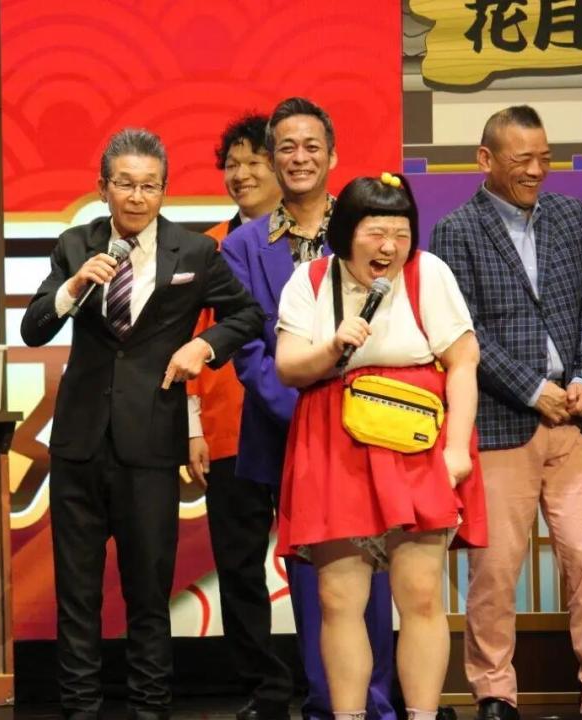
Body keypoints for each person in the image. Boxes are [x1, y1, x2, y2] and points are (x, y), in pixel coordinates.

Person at [20, 128, 263, 720]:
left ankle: (150, 709)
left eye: (149, 186)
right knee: (77, 594)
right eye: (125, 184)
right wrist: (74, 287)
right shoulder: (75, 244)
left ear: (163, 190)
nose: (137, 196)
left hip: (151, 443)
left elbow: (247, 314)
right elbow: (33, 328)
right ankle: (80, 709)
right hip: (79, 444)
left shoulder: (194, 252)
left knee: (148, 593)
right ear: (103, 186)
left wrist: (203, 346)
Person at [431, 104, 582, 720]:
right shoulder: (456, 231)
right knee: (494, 571)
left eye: (545, 158)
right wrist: (532, 388)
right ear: (485, 159)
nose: (537, 170)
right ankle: (494, 692)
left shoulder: (570, 215)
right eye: (523, 160)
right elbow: (464, 331)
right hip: (501, 424)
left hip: (576, 422)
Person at [275, 173, 486, 720]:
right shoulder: (309, 280)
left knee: (420, 594)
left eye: (401, 233)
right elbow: (289, 367)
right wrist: (332, 347)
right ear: (346, 233)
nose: (390, 247)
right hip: (333, 444)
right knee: (338, 600)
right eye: (376, 233)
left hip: (415, 443)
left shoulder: (428, 273)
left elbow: (463, 361)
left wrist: (456, 450)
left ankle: (421, 715)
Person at [221, 98, 396, 720]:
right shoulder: (241, 246)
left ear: (333, 156)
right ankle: (328, 705)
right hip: (287, 434)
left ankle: (378, 706)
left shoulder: (367, 228)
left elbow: (393, 322)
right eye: (287, 148)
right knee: (311, 578)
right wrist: (303, 415)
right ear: (273, 159)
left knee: (373, 572)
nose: (299, 158)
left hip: (368, 430)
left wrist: (357, 411)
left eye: (311, 146)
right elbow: (248, 350)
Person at [184, 111, 291, 720]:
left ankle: (331, 677)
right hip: (229, 429)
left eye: (255, 161)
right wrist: (192, 427)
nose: (242, 173)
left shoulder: (312, 241)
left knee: (318, 556)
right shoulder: (208, 248)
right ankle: (264, 687)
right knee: (239, 564)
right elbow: (191, 340)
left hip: (302, 423)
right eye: (232, 163)